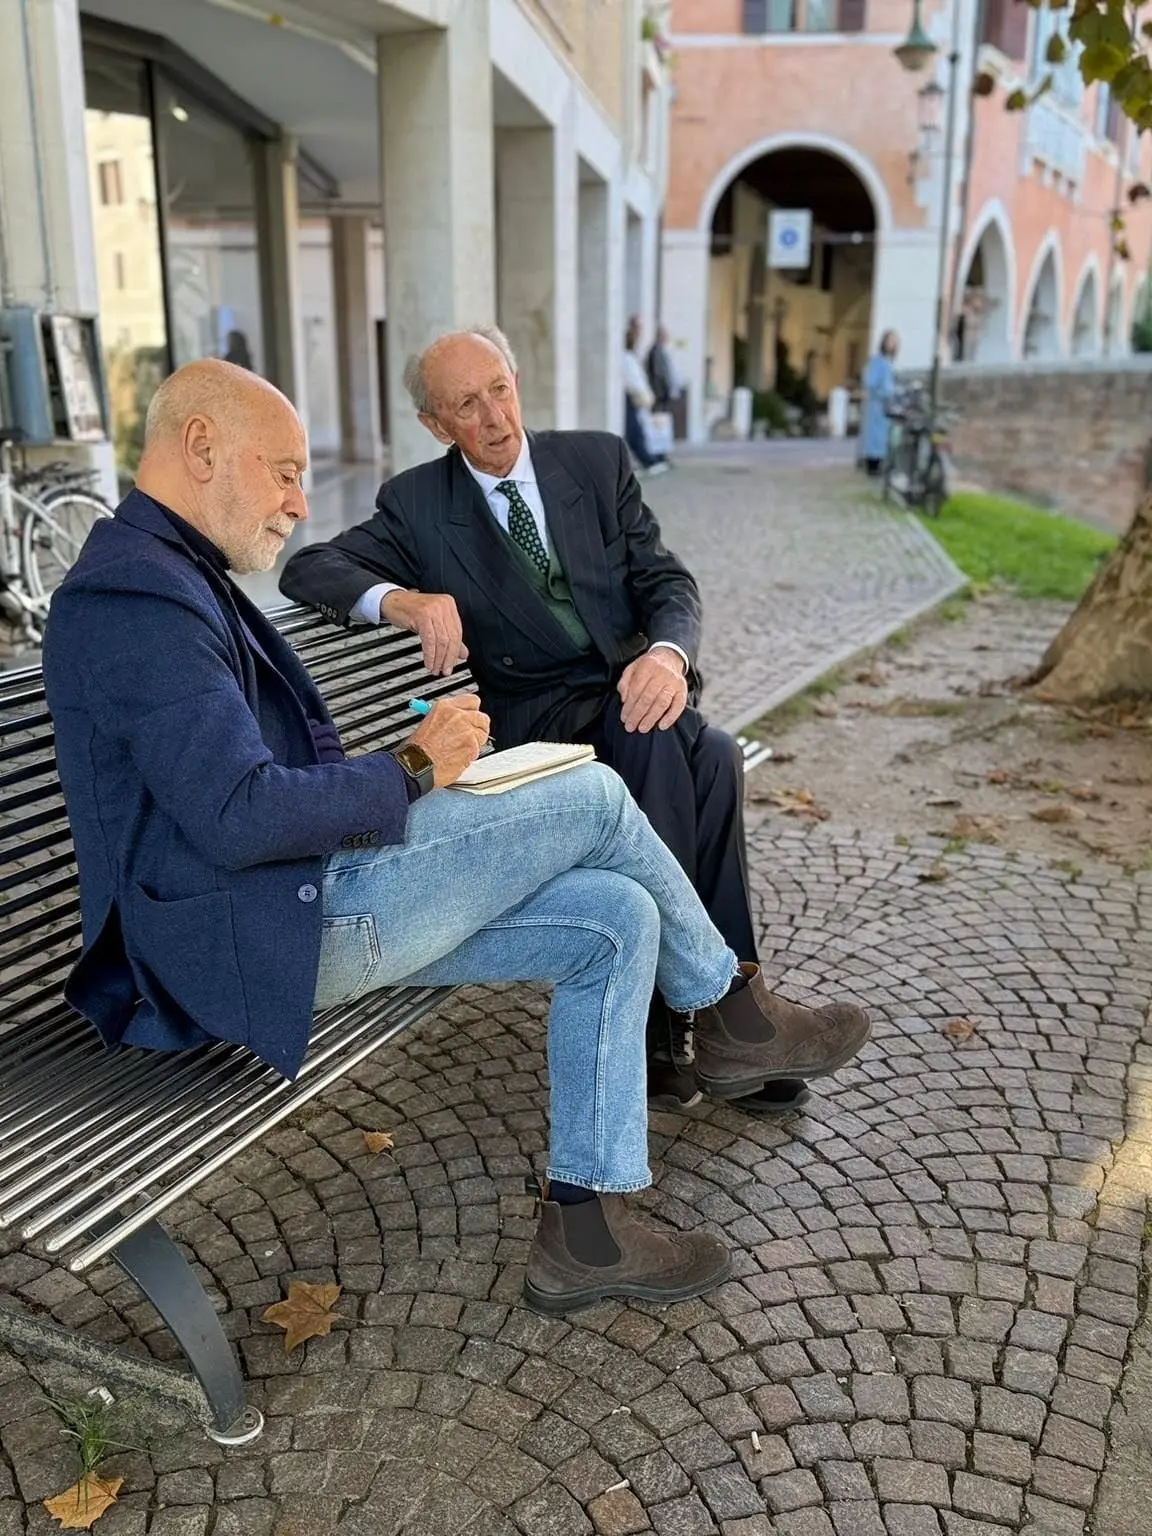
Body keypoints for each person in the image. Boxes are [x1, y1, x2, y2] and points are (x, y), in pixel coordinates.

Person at [42, 360, 871, 1315]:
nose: (299, 504)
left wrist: (414, 774)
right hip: (255, 935)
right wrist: (411, 768)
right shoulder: (135, 596)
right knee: (595, 794)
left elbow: (240, 796)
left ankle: (585, 1230)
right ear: (200, 447)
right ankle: (729, 1008)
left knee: (617, 911)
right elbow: (238, 813)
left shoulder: (176, 574)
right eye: (284, 472)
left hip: (290, 896)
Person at [279, 325, 813, 1120]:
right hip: (541, 721)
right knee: (669, 745)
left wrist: (666, 655)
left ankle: (685, 1034)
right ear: (436, 424)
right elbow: (305, 566)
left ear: (517, 378)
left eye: (500, 387)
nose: (495, 416)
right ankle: (719, 1020)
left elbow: (666, 579)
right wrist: (404, 599)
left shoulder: (594, 462)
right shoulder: (419, 505)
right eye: (467, 403)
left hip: (634, 690)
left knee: (712, 754)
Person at [623, 318, 667, 475]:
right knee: (635, 431)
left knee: (640, 430)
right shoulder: (626, 357)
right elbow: (633, 380)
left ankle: (650, 459)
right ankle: (647, 461)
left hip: (638, 398)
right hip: (631, 397)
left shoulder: (631, 357)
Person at [861, 329, 899, 475]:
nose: (892, 344)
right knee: (875, 437)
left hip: (886, 405)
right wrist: (883, 392)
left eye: (894, 342)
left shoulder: (889, 362)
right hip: (877, 405)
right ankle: (872, 466)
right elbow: (871, 381)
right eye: (890, 341)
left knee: (883, 437)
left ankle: (880, 464)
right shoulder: (877, 361)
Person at [646, 324, 681, 413]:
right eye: (664, 335)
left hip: (664, 396)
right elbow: (659, 374)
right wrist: (665, 392)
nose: (666, 338)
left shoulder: (662, 351)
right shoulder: (657, 352)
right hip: (660, 397)